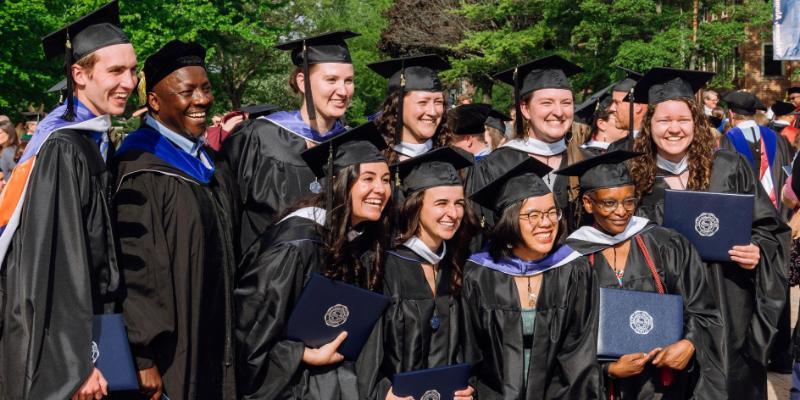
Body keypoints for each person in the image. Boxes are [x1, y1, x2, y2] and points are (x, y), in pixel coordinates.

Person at [0, 2, 137, 398]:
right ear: (79, 74)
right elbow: (56, 263)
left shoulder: (90, 140)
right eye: (115, 71)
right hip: (65, 349)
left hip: (88, 332)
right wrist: (76, 362)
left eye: (132, 69)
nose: (128, 82)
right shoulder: (62, 148)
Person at [628, 67, 790, 399]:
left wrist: (757, 250)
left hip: (728, 312)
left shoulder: (729, 167)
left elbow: (770, 230)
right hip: (661, 314)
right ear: (649, 125)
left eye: (683, 119)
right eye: (663, 121)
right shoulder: (631, 178)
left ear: (697, 122)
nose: (674, 129)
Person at [113, 40, 236, 400]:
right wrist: (142, 355)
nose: (201, 100)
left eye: (206, 88)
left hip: (215, 342)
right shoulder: (140, 168)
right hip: (171, 359)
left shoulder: (210, 164)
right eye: (187, 91)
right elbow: (136, 272)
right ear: (154, 101)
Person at [234, 122, 392, 399]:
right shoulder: (296, 244)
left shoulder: (358, 240)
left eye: (386, 180)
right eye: (367, 178)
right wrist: (301, 354)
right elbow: (250, 331)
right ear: (337, 182)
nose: (380, 189)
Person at [557, 150, 725, 399]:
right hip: (606, 389)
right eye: (609, 202)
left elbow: (703, 308)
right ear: (588, 204)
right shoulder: (571, 258)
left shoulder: (667, 244)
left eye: (629, 201)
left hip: (666, 385)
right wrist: (608, 369)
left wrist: (690, 343)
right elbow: (565, 337)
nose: (622, 211)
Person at [461, 152, 600, 398]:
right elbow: (471, 351)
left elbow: (579, 354)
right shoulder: (480, 275)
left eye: (551, 213)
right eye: (533, 215)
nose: (546, 223)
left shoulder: (573, 271)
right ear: (510, 220)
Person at [221, 31, 358, 254]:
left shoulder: (352, 146)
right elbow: (226, 216)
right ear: (302, 82)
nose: (343, 91)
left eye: (349, 81)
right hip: (262, 279)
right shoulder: (258, 137)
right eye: (331, 80)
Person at [376, 147, 477, 400]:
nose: (452, 214)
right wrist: (380, 392)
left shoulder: (456, 264)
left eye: (459, 204)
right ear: (415, 205)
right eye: (441, 203)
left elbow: (471, 351)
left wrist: (468, 388)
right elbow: (367, 353)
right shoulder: (384, 266)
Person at [493, 55, 583, 231]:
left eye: (566, 103)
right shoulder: (498, 164)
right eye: (546, 103)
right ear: (525, 109)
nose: (558, 112)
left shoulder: (584, 161)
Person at [720, 91, 792, 219]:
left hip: (747, 217)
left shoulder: (728, 140)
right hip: (779, 216)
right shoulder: (778, 138)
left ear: (731, 114)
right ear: (753, 114)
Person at [369, 55, 451, 164]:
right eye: (423, 102)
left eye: (438, 102)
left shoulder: (455, 160)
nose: (433, 112)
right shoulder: (372, 160)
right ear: (397, 106)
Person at [607, 67, 646, 147]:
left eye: (617, 102)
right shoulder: (615, 148)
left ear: (638, 106)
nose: (611, 108)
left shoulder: (659, 147)